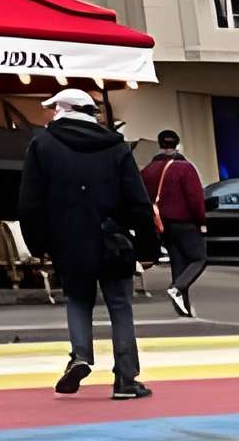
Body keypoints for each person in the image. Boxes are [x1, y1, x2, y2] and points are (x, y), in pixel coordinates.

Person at [20, 85, 155, 400]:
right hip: (113, 239)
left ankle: (80, 356)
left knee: (79, 300)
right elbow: (138, 200)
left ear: (62, 110)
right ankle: (126, 379)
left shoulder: (42, 145)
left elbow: (30, 201)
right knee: (120, 306)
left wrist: (38, 243)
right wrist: (148, 247)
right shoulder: (116, 146)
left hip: (68, 240)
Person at [140, 129, 208, 318]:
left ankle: (183, 309)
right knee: (198, 258)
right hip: (185, 222)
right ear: (177, 144)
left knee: (178, 264)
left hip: (162, 224)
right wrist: (201, 221)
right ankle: (177, 288)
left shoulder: (148, 170)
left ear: (160, 144)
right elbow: (195, 199)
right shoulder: (185, 168)